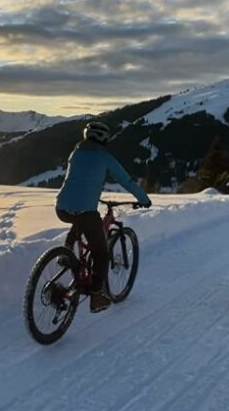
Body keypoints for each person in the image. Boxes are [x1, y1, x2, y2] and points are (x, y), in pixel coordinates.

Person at [56, 121, 152, 313]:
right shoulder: (105, 157)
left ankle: (66, 255)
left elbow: (79, 179)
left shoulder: (75, 153)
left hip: (61, 207)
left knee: (79, 221)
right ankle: (97, 295)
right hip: (85, 209)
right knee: (101, 253)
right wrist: (144, 199)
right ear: (104, 139)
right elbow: (126, 180)